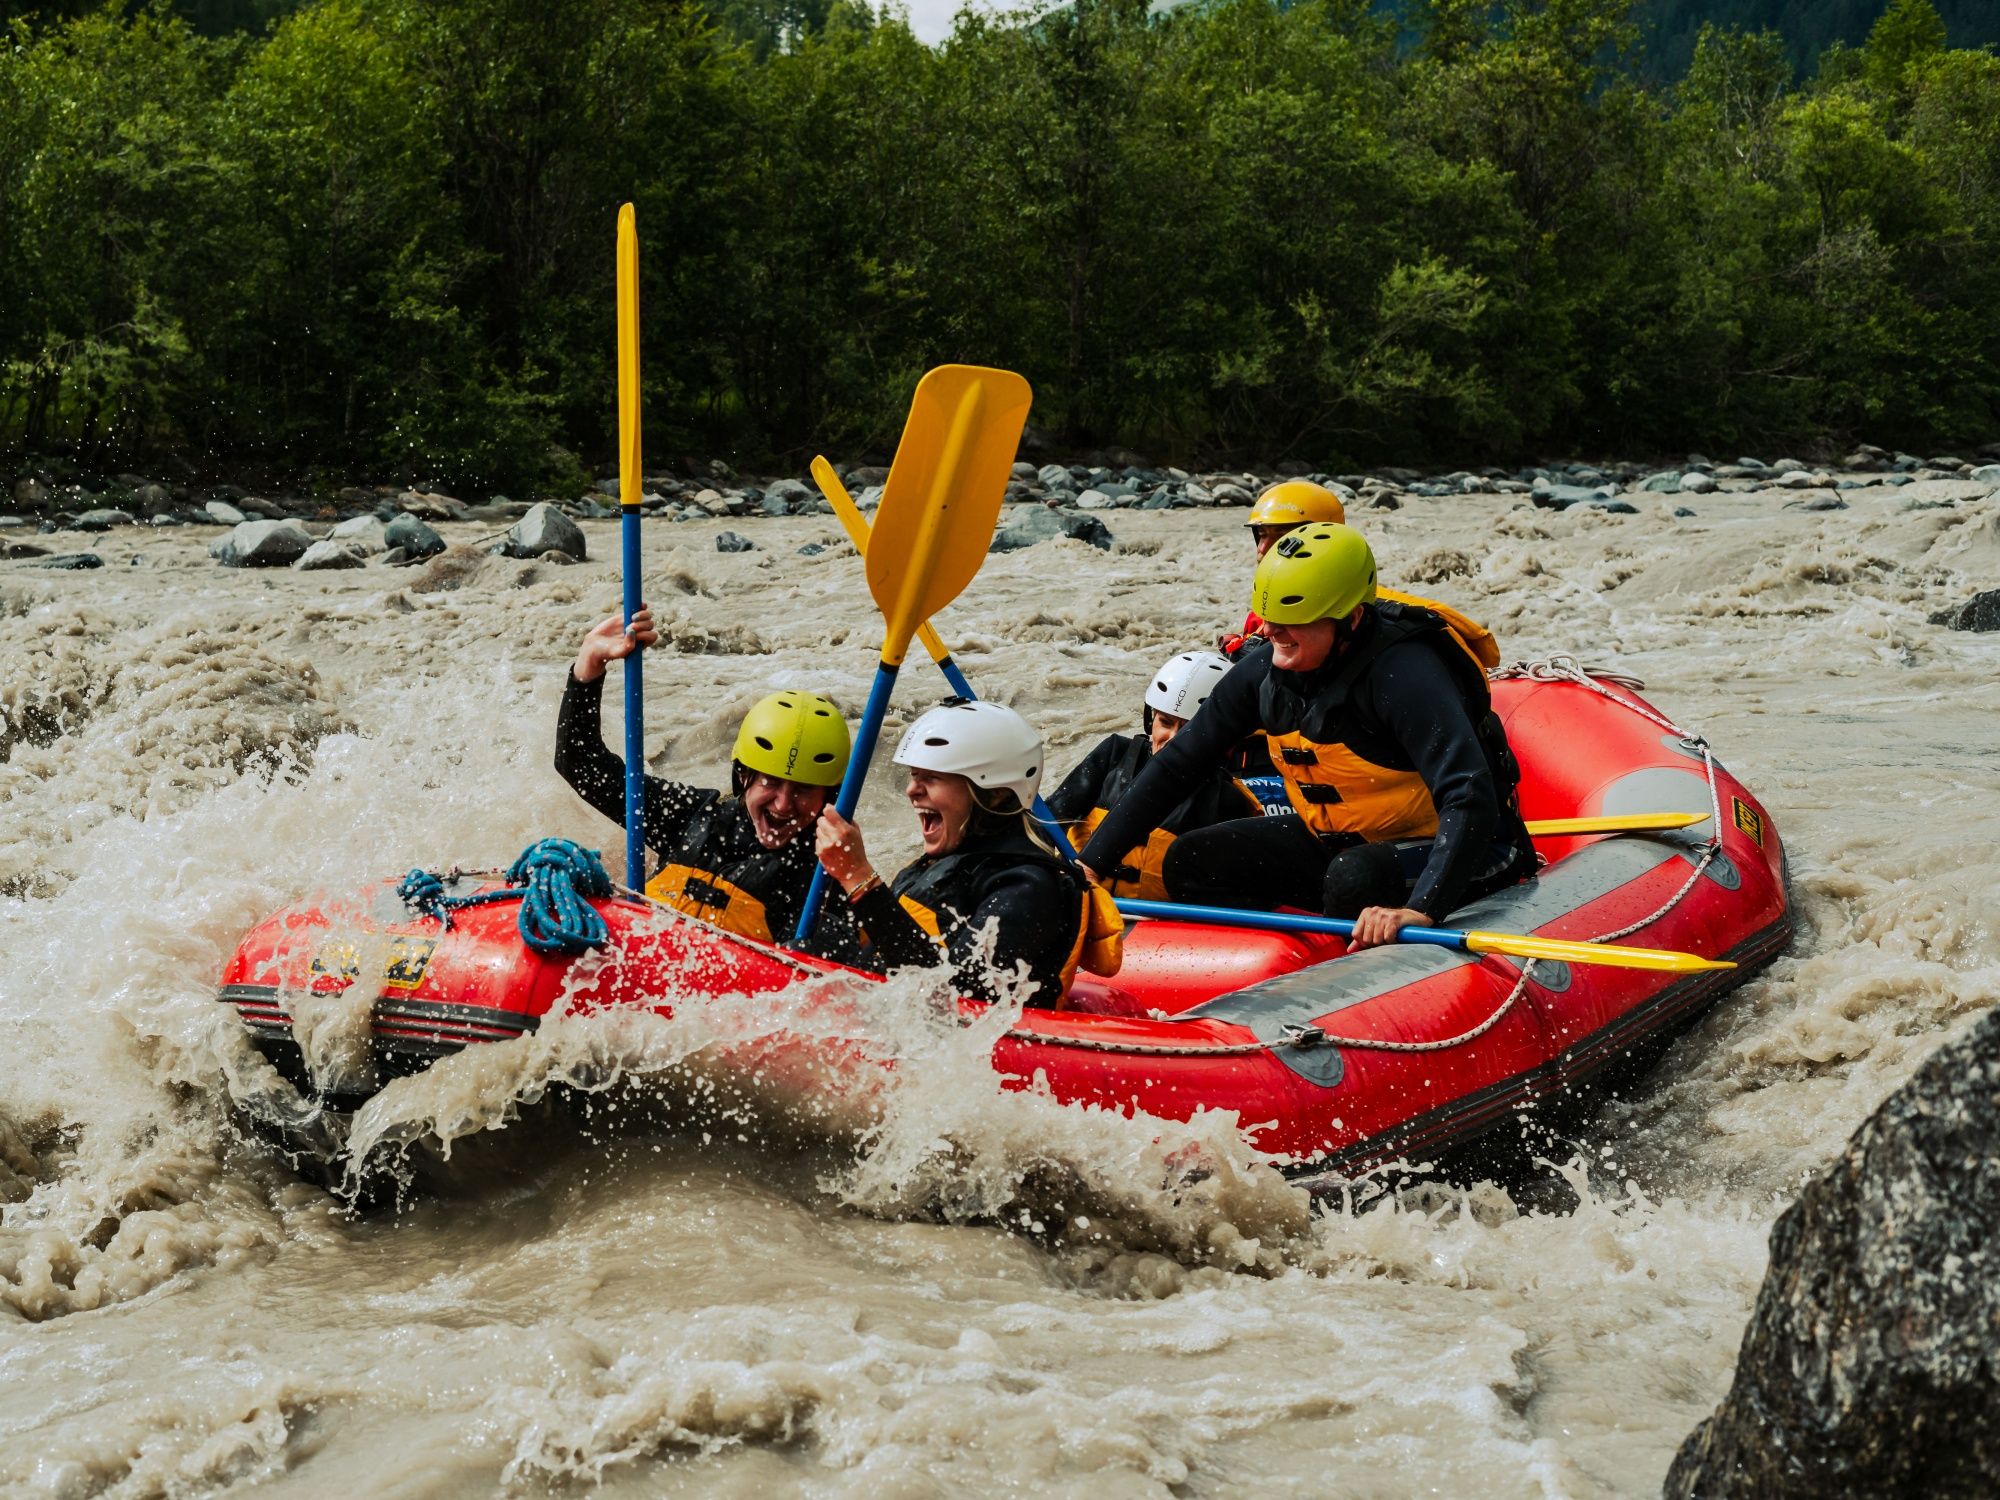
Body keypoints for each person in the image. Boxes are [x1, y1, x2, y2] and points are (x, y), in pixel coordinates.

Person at [1076, 525, 1536, 949]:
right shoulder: (1261, 671)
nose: (1270, 631)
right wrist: (1092, 863)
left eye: (1291, 620)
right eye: (1268, 617)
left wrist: (1422, 909)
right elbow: (1178, 766)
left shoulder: (1405, 674)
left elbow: (1469, 794)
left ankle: (1346, 977)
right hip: (1343, 840)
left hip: (1463, 847)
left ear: (1351, 620)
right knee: (1191, 859)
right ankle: (1278, 962)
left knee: (1353, 877)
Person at [556, 606, 863, 956]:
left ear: (829, 795)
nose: (782, 803)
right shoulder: (690, 815)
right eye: (770, 783)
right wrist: (589, 664)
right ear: (744, 774)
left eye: (803, 789)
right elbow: (581, 766)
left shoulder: (828, 874)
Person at [813, 700, 1121, 1007]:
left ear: (996, 792)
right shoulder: (936, 864)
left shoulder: (1029, 888)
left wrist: (861, 879)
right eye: (914, 775)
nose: (912, 790)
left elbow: (952, 999)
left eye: (931, 778)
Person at [1045, 650, 1261, 901]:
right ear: (1151, 721)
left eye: (1189, 729)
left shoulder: (1227, 800)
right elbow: (1048, 824)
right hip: (1089, 905)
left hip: (1158, 925)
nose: (1172, 739)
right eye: (1165, 722)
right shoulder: (1112, 757)